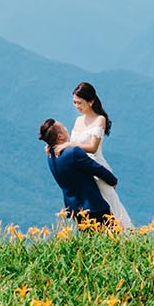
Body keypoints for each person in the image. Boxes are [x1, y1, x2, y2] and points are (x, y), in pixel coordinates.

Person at [62, 81, 134, 229]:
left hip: (96, 168)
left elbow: (93, 148)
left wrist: (70, 145)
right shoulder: (77, 121)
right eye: (74, 103)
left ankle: (121, 234)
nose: (77, 106)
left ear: (91, 101)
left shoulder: (99, 119)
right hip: (81, 169)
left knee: (109, 207)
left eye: (80, 103)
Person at [39, 118, 119, 226]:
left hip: (75, 209)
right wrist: (113, 180)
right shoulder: (73, 152)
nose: (66, 129)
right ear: (60, 137)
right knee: (111, 238)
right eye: (63, 128)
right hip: (93, 206)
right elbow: (96, 168)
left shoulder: (50, 155)